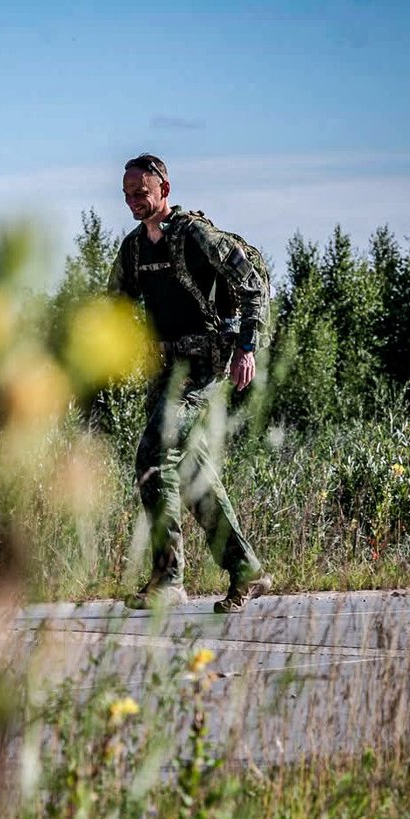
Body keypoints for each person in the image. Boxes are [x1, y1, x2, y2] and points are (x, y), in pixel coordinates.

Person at [109, 153, 271, 614]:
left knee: (155, 454)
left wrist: (247, 348)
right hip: (164, 369)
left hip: (203, 365)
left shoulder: (196, 235)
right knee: (190, 471)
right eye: (126, 195)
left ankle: (168, 580)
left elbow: (253, 282)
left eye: (141, 193)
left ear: (164, 189)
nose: (134, 202)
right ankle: (246, 569)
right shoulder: (134, 249)